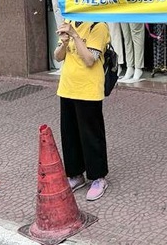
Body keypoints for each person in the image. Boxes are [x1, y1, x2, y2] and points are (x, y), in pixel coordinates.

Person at [53, 20, 111, 201]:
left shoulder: (98, 26)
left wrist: (76, 36)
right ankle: (76, 175)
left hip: (88, 89)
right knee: (69, 134)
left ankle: (98, 177)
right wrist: (63, 43)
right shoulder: (69, 23)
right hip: (68, 87)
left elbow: (89, 59)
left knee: (91, 135)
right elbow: (58, 57)